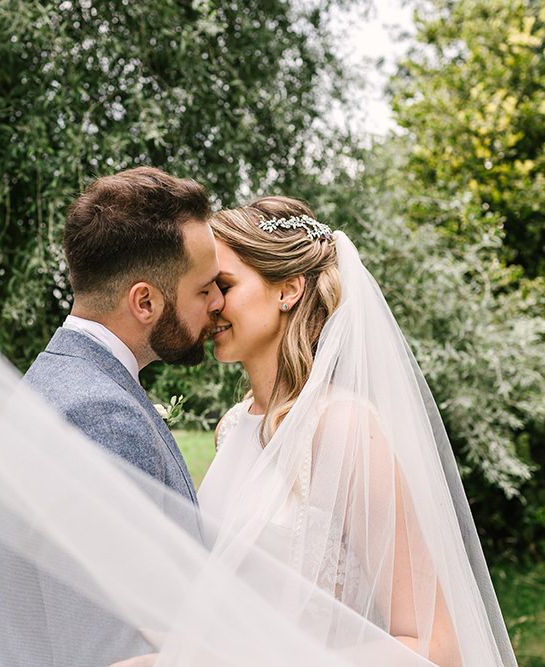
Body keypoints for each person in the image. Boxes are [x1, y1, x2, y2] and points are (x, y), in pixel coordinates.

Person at [195, 195, 517, 666]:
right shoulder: (232, 428)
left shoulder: (340, 428)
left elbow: (436, 646)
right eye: (205, 289)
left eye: (223, 284)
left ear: (288, 289)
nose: (212, 304)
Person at [0, 166, 224, 666]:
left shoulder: (56, 378)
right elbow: (111, 654)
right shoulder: (99, 419)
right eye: (204, 290)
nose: (219, 303)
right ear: (145, 301)